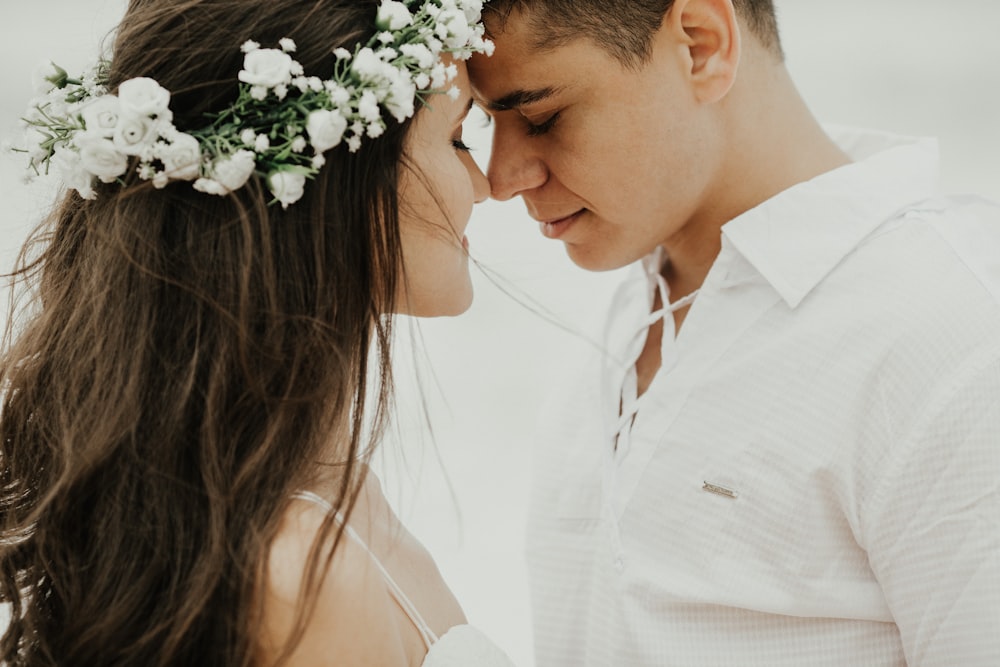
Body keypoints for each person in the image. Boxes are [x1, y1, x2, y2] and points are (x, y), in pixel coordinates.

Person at [468, 0, 1000, 665]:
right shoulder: (623, 319)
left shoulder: (954, 334)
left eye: (542, 119)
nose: (501, 178)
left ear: (701, 44)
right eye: (486, 124)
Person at [0, 1, 517, 665]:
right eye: (456, 139)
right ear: (339, 183)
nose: (485, 184)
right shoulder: (304, 576)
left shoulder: (332, 496)